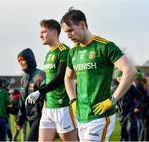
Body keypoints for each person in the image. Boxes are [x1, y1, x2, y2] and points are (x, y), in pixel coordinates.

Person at [60, 8, 137, 141]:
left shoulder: (105, 46)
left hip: (101, 116)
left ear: (82, 25)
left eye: (70, 30)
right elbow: (68, 77)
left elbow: (130, 71)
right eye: (66, 32)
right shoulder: (73, 52)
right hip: (82, 115)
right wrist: (73, 100)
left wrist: (112, 100)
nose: (68, 35)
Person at [25, 19, 78, 141]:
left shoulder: (65, 51)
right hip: (48, 108)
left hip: (63, 107)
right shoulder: (49, 54)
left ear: (54, 32)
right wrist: (44, 99)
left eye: (44, 32)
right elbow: (49, 80)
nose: (40, 35)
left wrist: (40, 92)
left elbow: (60, 78)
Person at [16, 48, 46, 141]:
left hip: (41, 116)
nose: (20, 63)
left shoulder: (40, 75)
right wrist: (20, 120)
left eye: (22, 60)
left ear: (29, 60)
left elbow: (46, 93)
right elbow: (22, 100)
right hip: (31, 117)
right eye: (19, 61)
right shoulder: (23, 79)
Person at [112, 69, 142, 141]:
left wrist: (137, 107)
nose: (119, 78)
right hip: (121, 113)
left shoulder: (129, 86)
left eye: (121, 76)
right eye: (118, 76)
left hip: (130, 111)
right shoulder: (114, 88)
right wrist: (116, 106)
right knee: (123, 130)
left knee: (131, 128)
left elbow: (139, 97)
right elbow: (113, 100)